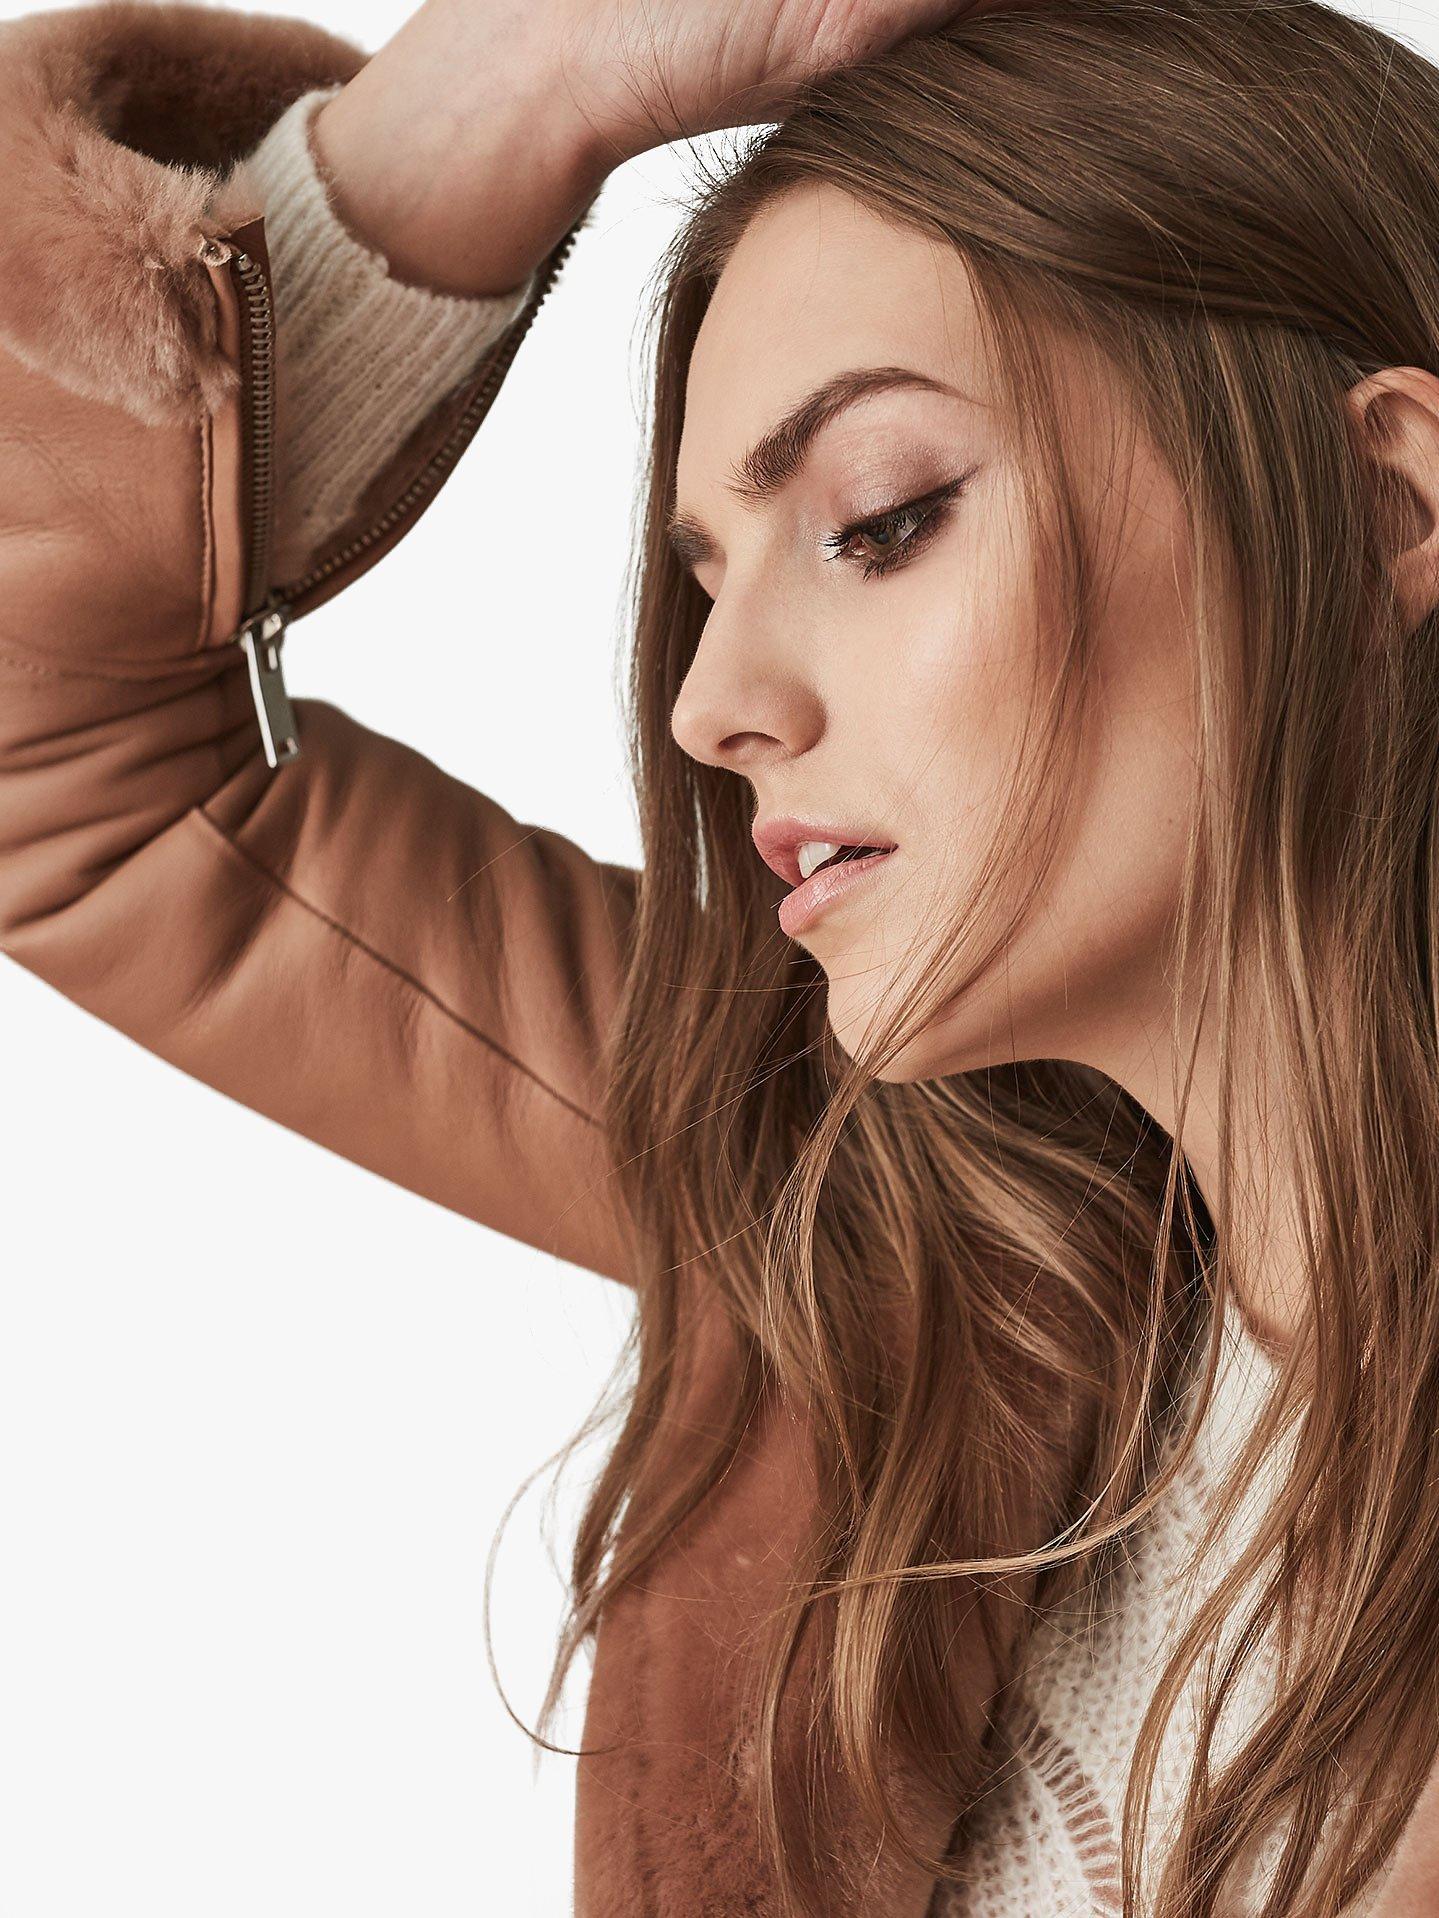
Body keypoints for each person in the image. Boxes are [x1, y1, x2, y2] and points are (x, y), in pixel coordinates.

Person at [3, 0, 1439, 1911]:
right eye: (707, 578)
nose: (708, 706)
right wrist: (527, 77)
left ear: (1385, 499)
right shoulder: (893, 1250)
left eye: (881, 520)